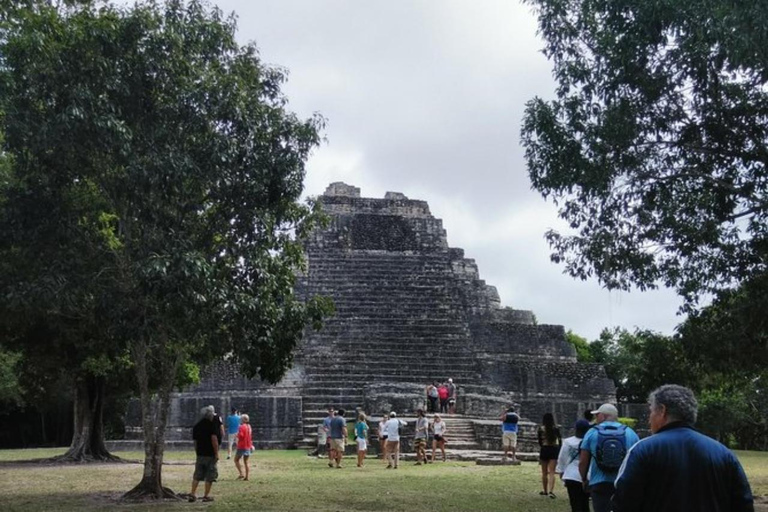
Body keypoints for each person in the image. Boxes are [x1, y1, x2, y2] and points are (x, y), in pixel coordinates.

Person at [612, 385, 754, 512]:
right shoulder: (724, 453)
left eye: (651, 412)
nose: (649, 419)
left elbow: (624, 501)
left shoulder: (642, 450)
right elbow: (743, 503)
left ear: (662, 410)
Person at [579, 403, 640, 512]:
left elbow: (583, 461)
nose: (596, 418)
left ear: (603, 416)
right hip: (623, 483)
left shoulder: (592, 432)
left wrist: (584, 479)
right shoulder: (630, 433)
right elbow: (637, 460)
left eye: (597, 415)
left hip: (599, 482)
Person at [556, 419, 591, 512]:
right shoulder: (590, 442)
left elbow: (562, 457)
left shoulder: (568, 442)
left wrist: (561, 470)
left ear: (575, 429)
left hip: (571, 475)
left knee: (575, 503)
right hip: (587, 475)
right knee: (585, 503)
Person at [189, 405, 219, 503]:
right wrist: (216, 453)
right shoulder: (212, 425)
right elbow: (214, 439)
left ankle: (192, 494)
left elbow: (195, 442)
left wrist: (197, 451)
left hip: (200, 454)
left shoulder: (197, 426)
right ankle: (206, 496)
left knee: (197, 475)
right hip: (210, 454)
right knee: (210, 476)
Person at [538, 412, 562, 499]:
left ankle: (545, 490)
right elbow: (560, 440)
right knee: (552, 472)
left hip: (544, 449)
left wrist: (543, 446)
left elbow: (540, 441)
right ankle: (551, 490)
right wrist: (559, 448)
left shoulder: (541, 429)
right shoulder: (556, 428)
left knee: (544, 472)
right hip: (553, 449)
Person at [234, 413, 254, 481]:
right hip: (248, 445)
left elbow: (241, 436)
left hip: (242, 446)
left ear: (243, 420)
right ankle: (247, 477)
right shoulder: (249, 427)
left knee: (236, 460)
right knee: (246, 462)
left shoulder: (241, 427)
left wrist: (237, 435)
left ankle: (241, 473)